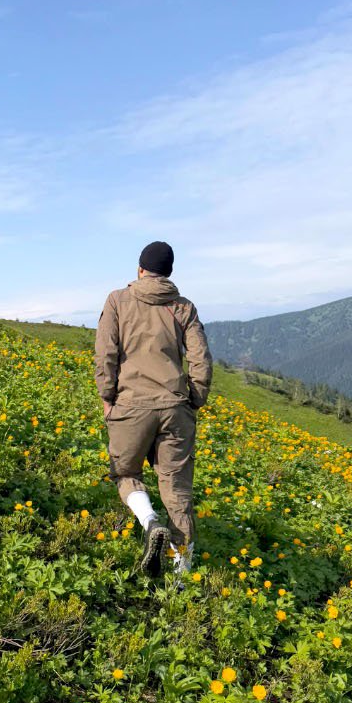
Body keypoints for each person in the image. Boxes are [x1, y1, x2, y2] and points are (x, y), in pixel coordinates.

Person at [94, 241, 212, 576]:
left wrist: (107, 397)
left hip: (130, 405)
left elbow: (105, 353)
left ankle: (149, 522)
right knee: (176, 488)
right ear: (169, 272)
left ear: (140, 269)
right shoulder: (184, 307)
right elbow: (200, 359)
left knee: (126, 473)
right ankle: (181, 576)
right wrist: (194, 399)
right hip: (175, 407)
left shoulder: (117, 300)